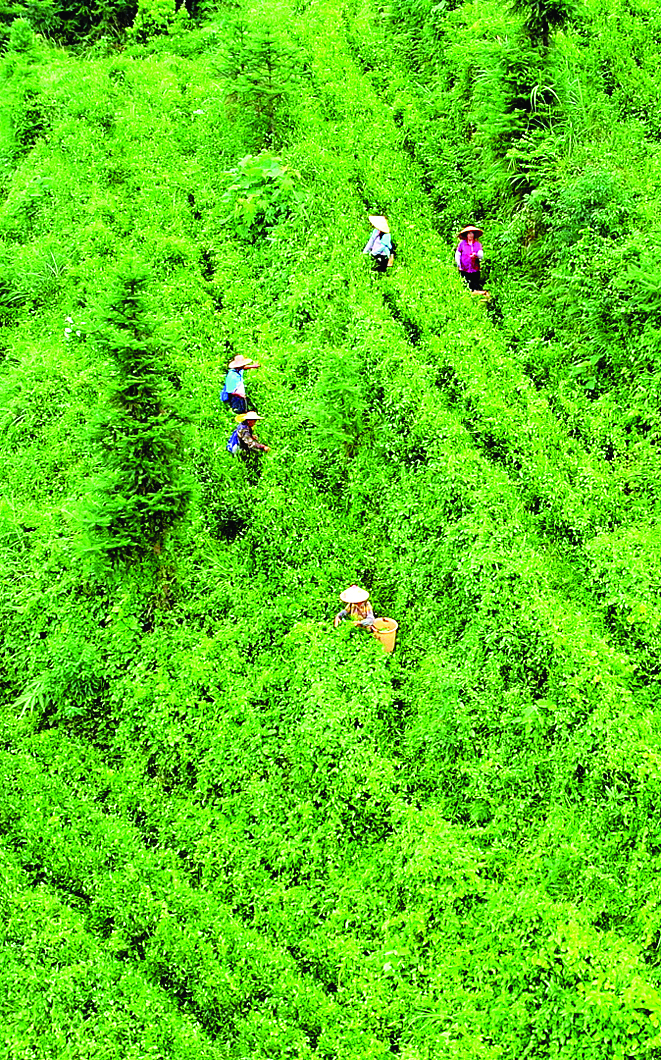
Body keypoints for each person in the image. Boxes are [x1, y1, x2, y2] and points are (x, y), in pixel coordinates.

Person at [455, 224, 485, 291]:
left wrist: (476, 255)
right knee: (466, 285)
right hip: (464, 268)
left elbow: (481, 255)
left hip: (475, 269)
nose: (470, 235)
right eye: (469, 233)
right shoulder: (462, 244)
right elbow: (457, 254)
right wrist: (459, 264)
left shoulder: (477, 244)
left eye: (472, 233)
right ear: (466, 235)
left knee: (475, 285)